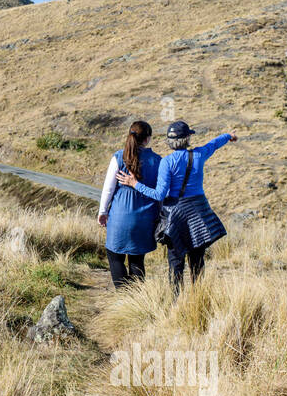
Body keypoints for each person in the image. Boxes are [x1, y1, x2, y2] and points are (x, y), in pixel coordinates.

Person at [116, 120, 237, 294]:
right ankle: (198, 299)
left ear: (169, 141)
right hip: (198, 212)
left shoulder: (167, 162)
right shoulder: (199, 155)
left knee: (176, 262)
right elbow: (214, 144)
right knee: (197, 260)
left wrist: (134, 184)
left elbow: (159, 195)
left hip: (176, 215)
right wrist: (229, 136)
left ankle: (176, 301)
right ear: (187, 139)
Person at [97, 121, 162, 287]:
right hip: (146, 218)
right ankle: (136, 300)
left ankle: (123, 296)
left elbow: (108, 189)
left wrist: (103, 211)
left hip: (120, 215)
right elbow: (161, 194)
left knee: (114, 255)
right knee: (137, 259)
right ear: (147, 139)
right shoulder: (157, 161)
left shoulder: (119, 157)